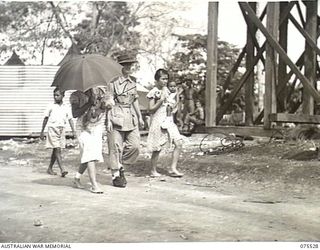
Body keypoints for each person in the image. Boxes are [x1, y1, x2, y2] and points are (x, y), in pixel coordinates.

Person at [106, 54, 144, 188]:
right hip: (116, 114)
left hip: (130, 116)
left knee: (135, 146)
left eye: (130, 64)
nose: (128, 67)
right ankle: (116, 175)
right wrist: (108, 120)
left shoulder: (132, 82)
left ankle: (120, 164)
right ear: (120, 66)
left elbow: (135, 100)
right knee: (115, 147)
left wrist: (139, 117)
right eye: (125, 65)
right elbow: (109, 101)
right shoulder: (113, 83)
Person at [70, 87, 112, 194]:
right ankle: (94, 185)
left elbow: (104, 108)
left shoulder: (100, 92)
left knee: (90, 155)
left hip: (96, 125)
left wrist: (103, 106)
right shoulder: (76, 95)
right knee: (90, 156)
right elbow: (75, 114)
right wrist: (88, 104)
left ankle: (77, 178)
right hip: (83, 128)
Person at [147, 69, 184, 178]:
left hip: (169, 120)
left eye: (166, 79)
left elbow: (174, 103)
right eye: (163, 79)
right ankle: (153, 170)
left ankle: (173, 168)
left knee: (179, 143)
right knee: (157, 148)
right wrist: (161, 100)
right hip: (158, 120)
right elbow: (150, 109)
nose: (165, 81)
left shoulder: (168, 90)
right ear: (157, 80)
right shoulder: (154, 91)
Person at [40, 87, 76, 177]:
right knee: (57, 149)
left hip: (62, 129)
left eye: (57, 95)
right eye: (54, 95)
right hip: (52, 128)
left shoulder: (66, 106)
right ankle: (62, 169)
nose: (55, 97)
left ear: (63, 96)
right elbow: (45, 118)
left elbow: (70, 119)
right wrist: (42, 131)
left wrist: (73, 131)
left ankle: (50, 168)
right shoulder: (51, 105)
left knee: (56, 149)